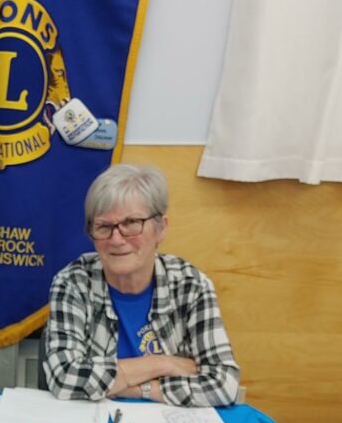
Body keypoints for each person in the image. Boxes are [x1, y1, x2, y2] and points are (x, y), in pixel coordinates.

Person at [43, 164, 239, 406]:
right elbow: (64, 378)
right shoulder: (73, 282)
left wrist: (134, 388)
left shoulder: (191, 285)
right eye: (104, 227)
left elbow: (224, 384)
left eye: (132, 223)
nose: (116, 240)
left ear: (161, 229)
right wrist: (162, 363)